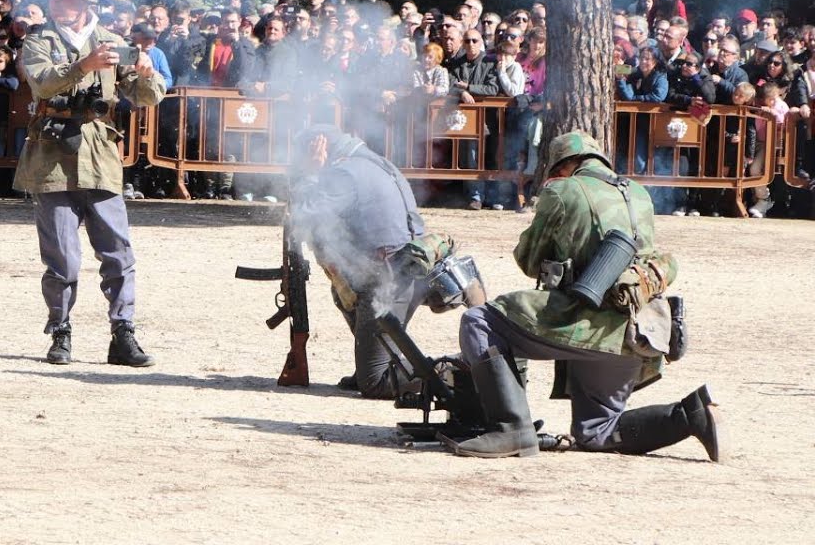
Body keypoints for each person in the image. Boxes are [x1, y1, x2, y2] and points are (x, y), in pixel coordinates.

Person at [444, 131, 723, 462]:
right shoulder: (638, 193)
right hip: (638, 329)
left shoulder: (563, 190)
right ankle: (691, 415)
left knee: (479, 321)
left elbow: (529, 259)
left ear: (563, 167)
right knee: (597, 431)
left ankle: (512, 430)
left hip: (587, 319)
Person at [13, 0, 166, 367]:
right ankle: (60, 331)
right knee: (62, 256)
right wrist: (85, 65)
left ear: (84, 1)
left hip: (100, 155)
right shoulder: (38, 39)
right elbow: (43, 81)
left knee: (117, 250)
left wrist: (148, 74)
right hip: (52, 157)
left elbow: (149, 96)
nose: (56, 1)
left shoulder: (112, 41)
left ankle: (123, 334)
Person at [287, 125, 429, 399]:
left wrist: (312, 175)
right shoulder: (374, 162)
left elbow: (303, 215)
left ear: (320, 146)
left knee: (375, 383)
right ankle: (376, 358)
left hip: (388, 280)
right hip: (402, 269)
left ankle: (457, 372)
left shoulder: (343, 173)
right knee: (343, 283)